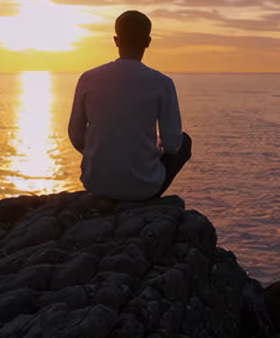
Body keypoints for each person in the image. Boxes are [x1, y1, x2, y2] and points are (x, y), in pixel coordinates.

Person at [68, 10, 192, 201]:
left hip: (96, 183)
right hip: (142, 188)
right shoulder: (162, 82)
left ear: (116, 40)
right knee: (185, 142)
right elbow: (173, 144)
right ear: (148, 42)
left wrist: (105, 150)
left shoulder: (88, 78)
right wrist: (155, 146)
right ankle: (145, 200)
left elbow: (76, 137)